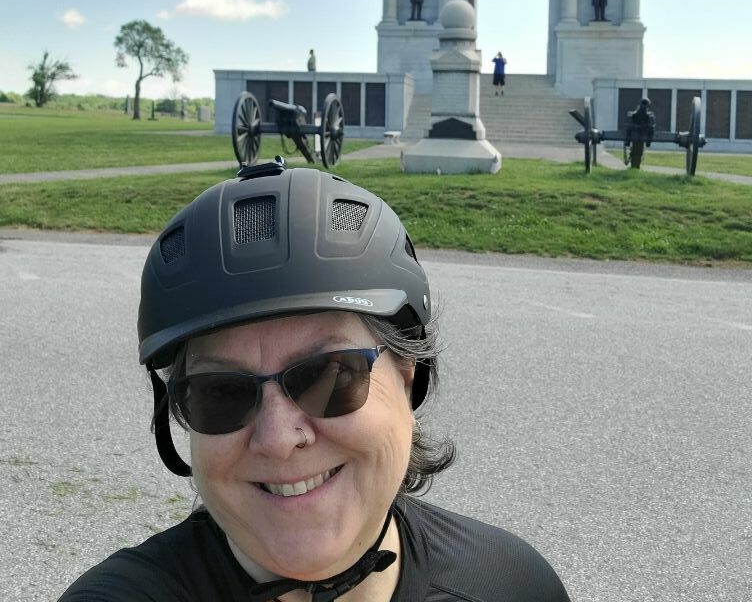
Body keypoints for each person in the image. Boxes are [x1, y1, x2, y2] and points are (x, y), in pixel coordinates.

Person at [58, 160, 572, 602]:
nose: (278, 440)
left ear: (408, 374)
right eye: (221, 393)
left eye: (330, 373)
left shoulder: (512, 585)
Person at [624, 97, 656, 169]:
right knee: (636, 151)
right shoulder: (634, 115)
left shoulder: (648, 116)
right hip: (636, 132)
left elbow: (651, 127)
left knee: (637, 151)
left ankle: (634, 164)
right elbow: (629, 126)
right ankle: (634, 164)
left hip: (641, 132)